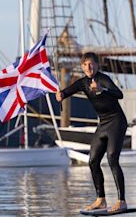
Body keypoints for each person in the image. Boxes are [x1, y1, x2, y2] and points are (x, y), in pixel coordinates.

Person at [56, 52, 128, 212]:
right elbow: (67, 92)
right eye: (85, 65)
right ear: (82, 67)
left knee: (112, 159)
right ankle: (100, 200)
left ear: (96, 65)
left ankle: (122, 201)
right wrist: (60, 95)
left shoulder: (103, 79)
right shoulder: (82, 83)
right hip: (103, 124)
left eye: (91, 64)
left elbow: (119, 94)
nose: (88, 67)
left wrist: (102, 89)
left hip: (117, 121)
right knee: (93, 161)